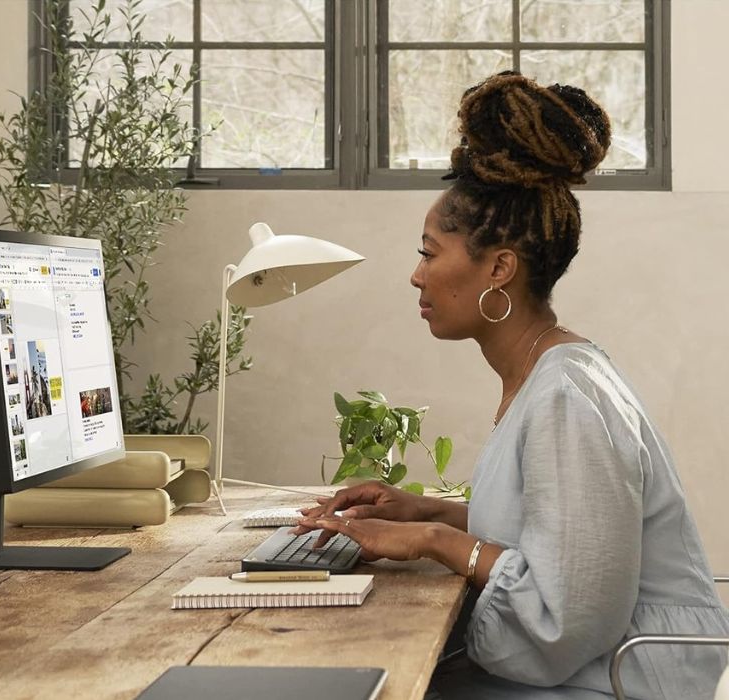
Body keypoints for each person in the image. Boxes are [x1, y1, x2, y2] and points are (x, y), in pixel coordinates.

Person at [294, 72, 729, 699]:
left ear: (499, 268)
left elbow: (565, 616)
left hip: (621, 680)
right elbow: (563, 531)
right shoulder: (546, 372)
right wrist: (426, 508)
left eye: (429, 253)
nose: (416, 277)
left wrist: (434, 540)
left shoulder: (565, 400)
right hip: (598, 666)